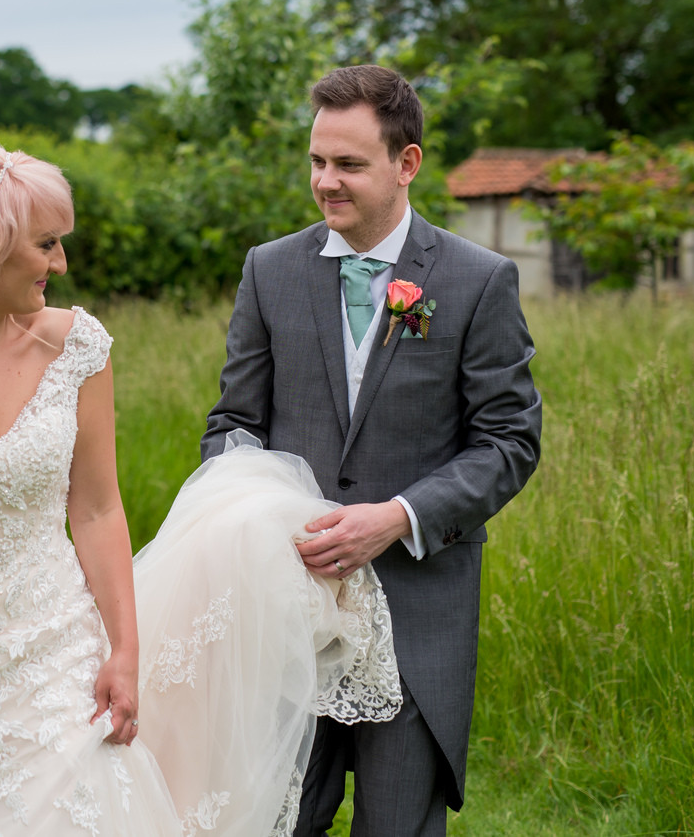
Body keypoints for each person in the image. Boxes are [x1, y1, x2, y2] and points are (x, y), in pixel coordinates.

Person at [0, 131, 402, 836]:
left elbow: (98, 509)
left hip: (55, 657)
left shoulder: (77, 345)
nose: (62, 261)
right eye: (46, 243)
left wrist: (124, 651)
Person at [202, 64, 543, 836]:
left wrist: (397, 516)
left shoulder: (478, 280)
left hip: (418, 615)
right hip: (287, 614)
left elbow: (510, 439)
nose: (326, 181)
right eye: (318, 160)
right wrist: (257, 514)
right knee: (276, 821)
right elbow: (233, 423)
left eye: (349, 164)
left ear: (406, 162)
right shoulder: (270, 270)